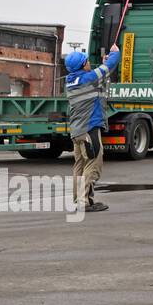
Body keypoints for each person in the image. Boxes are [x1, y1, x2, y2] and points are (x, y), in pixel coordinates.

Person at [65, 45, 121, 213]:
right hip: (89, 130)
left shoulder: (72, 81)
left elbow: (101, 76)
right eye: (87, 61)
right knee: (93, 164)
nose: (89, 63)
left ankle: (81, 199)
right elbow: (109, 66)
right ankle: (85, 202)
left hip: (77, 132)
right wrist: (115, 53)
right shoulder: (88, 79)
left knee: (80, 166)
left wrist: (104, 64)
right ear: (83, 65)